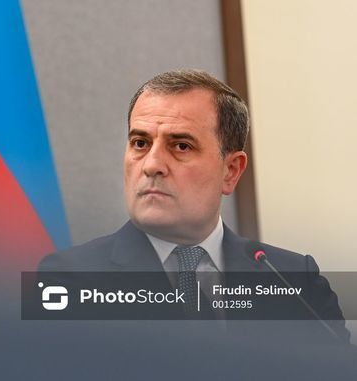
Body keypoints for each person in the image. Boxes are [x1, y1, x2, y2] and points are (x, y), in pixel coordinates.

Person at [39, 69, 349, 342]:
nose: (152, 165)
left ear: (230, 171)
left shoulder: (292, 280)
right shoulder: (69, 280)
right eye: (140, 143)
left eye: (181, 146)